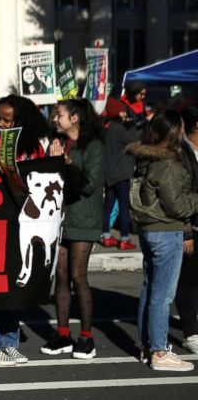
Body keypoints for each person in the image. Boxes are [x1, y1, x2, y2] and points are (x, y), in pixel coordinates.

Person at [0, 95, 47, 367]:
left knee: (15, 284)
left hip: (22, 222)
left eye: (7, 120)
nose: (0, 124)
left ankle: (9, 341)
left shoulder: (34, 145)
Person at [129, 109, 198, 371]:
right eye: (179, 128)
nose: (183, 132)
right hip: (166, 229)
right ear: (172, 132)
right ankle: (158, 351)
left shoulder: (145, 158)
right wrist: (196, 199)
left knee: (150, 289)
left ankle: (146, 345)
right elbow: (178, 206)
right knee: (162, 294)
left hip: (149, 229)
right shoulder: (168, 163)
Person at [41, 98, 104, 360]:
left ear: (75, 118)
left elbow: (88, 185)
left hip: (84, 218)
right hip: (60, 217)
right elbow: (47, 179)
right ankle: (63, 333)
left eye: (60, 115)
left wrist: (66, 163)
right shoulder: (58, 144)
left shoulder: (94, 145)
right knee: (61, 274)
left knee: (79, 275)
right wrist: (52, 161)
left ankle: (87, 337)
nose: (55, 119)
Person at [174, 105, 198, 356]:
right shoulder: (181, 153)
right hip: (190, 225)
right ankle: (191, 333)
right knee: (188, 282)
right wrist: (186, 232)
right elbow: (179, 195)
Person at [100, 98, 139, 249]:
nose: (124, 114)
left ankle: (106, 235)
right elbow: (134, 141)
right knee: (124, 206)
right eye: (122, 111)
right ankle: (124, 238)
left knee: (108, 206)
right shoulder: (118, 128)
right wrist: (132, 125)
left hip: (110, 174)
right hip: (121, 174)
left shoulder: (107, 127)